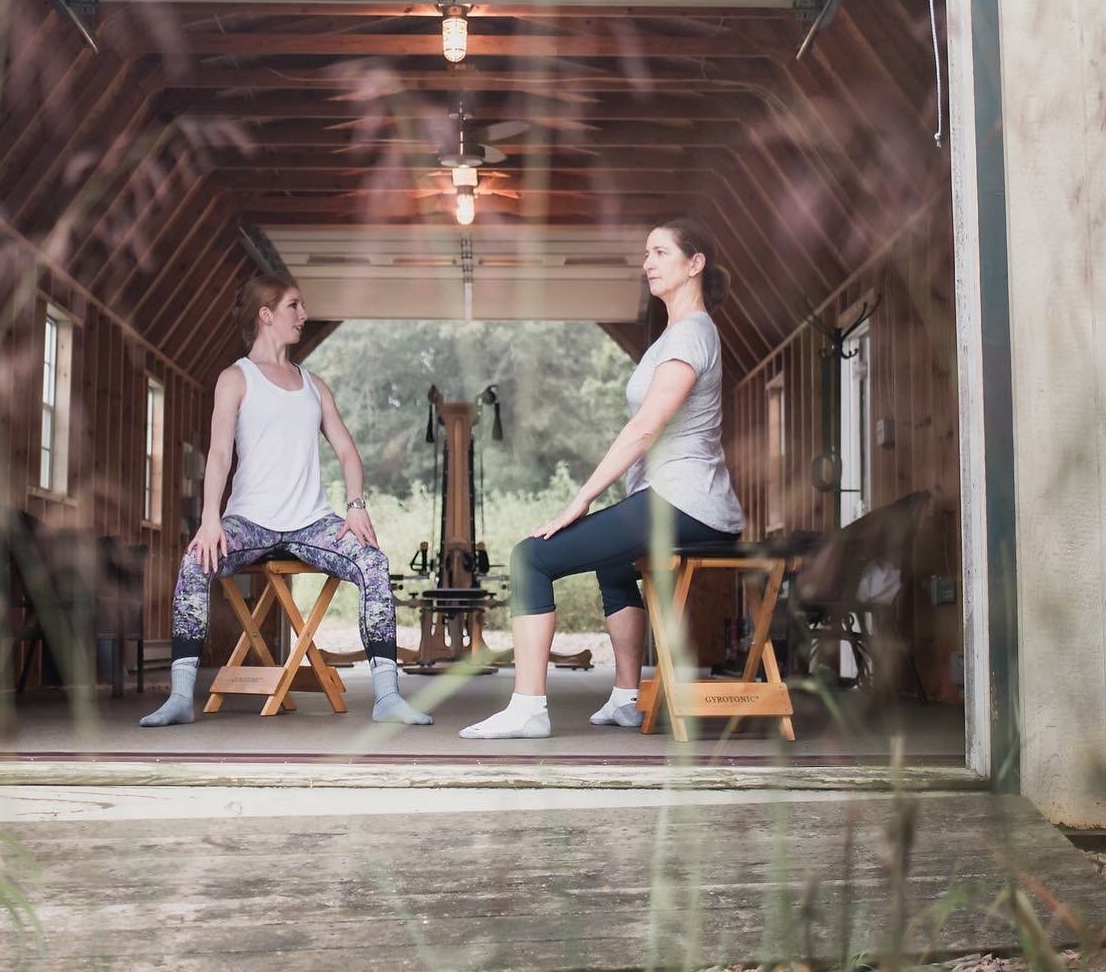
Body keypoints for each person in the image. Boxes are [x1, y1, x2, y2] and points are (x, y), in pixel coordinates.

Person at [461, 218, 744, 740]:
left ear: (695, 263)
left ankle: (527, 707)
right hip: (680, 501)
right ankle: (626, 698)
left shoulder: (692, 334)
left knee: (532, 557)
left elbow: (646, 426)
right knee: (613, 566)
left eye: (660, 252)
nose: (648, 263)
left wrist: (581, 499)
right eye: (646, 253)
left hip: (686, 503)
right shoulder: (674, 336)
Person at [141, 272, 431, 727]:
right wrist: (210, 519)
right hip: (249, 523)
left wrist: (355, 506)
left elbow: (348, 451)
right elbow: (219, 454)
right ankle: (179, 697)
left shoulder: (315, 386)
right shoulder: (235, 378)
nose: (303, 315)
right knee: (194, 563)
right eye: (294, 306)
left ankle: (388, 696)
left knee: (373, 562)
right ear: (266, 315)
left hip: (310, 524)